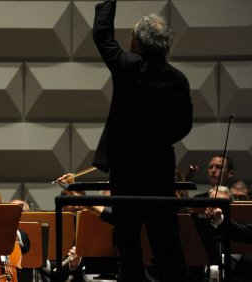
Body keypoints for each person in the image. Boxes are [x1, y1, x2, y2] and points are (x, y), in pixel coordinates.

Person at [92, 1, 193, 281]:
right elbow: (184, 126)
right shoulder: (178, 79)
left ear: (137, 42)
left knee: (127, 239)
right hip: (160, 168)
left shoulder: (127, 66)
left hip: (126, 169)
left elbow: (102, 35)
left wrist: (107, 4)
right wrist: (155, 143)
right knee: (166, 239)